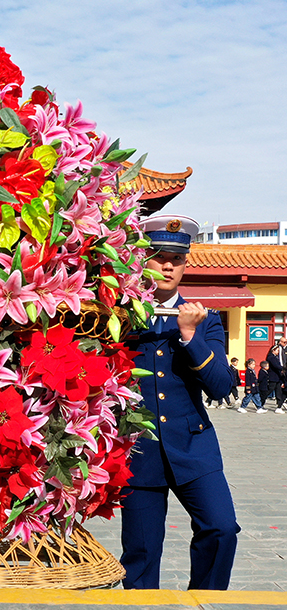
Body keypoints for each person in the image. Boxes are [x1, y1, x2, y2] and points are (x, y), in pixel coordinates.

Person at [121, 214, 239, 590]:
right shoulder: (118, 315)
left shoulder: (206, 320)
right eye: (158, 255)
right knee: (141, 553)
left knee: (221, 528)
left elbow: (222, 387)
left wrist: (191, 336)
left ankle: (205, 603)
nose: (168, 264)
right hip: (140, 450)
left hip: (194, 445)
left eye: (177, 257)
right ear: (143, 260)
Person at [265, 345, 284, 414]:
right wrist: (283, 368)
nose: (278, 352)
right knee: (269, 390)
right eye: (277, 350)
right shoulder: (271, 357)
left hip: (277, 377)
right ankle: (260, 401)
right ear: (273, 350)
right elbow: (276, 366)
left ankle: (279, 406)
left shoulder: (275, 357)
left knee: (279, 392)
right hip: (272, 377)